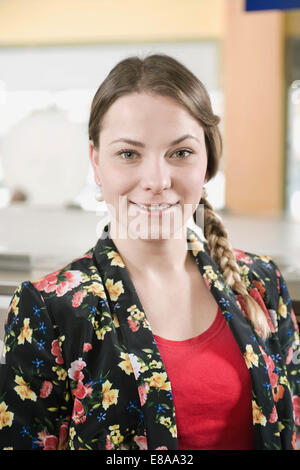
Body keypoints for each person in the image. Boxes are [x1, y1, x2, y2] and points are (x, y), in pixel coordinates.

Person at [0, 54, 299, 451]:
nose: (157, 181)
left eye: (180, 153)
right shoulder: (50, 309)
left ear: (207, 160)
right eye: (128, 154)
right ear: (96, 162)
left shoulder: (260, 283)